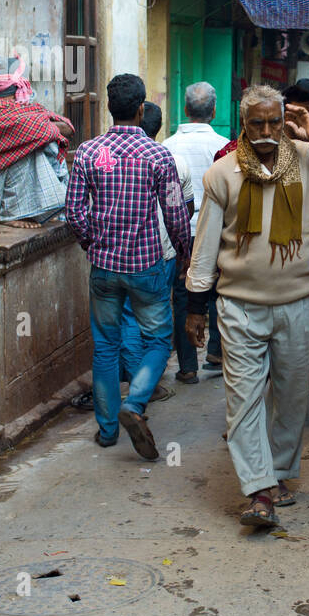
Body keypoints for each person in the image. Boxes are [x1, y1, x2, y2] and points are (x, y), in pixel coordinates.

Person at [184, 84, 309, 530]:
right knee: (244, 400)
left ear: (286, 121)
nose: (267, 131)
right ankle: (258, 490)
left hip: (299, 302)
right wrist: (196, 305)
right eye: (257, 123)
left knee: (289, 398)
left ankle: (280, 472)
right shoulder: (223, 173)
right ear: (243, 125)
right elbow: (205, 246)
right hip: (239, 306)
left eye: (274, 122)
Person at [66, 74, 191, 460]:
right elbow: (175, 215)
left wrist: (92, 243)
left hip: (103, 267)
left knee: (105, 345)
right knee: (157, 340)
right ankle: (135, 403)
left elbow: (73, 212)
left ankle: (106, 432)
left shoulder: (87, 152)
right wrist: (185, 256)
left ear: (109, 107)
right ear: (140, 109)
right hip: (147, 267)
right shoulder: (157, 155)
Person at [119, 102, 193, 399]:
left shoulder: (106, 157)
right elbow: (182, 212)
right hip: (160, 254)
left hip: (116, 256)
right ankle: (143, 389)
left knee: (128, 319)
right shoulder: (172, 159)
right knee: (155, 325)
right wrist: (183, 250)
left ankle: (137, 386)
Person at [0, 54, 73, 227]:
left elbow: (65, 126)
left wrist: (47, 124)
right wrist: (47, 125)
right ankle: (11, 214)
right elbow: (51, 129)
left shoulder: (15, 109)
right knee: (29, 148)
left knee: (38, 142)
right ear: (16, 87)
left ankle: (35, 209)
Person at [163, 81, 229, 382]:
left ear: (186, 109)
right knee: (216, 289)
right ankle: (215, 351)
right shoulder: (223, 147)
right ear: (213, 111)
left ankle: (187, 366)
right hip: (215, 230)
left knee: (182, 295)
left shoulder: (166, 147)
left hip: (179, 232)